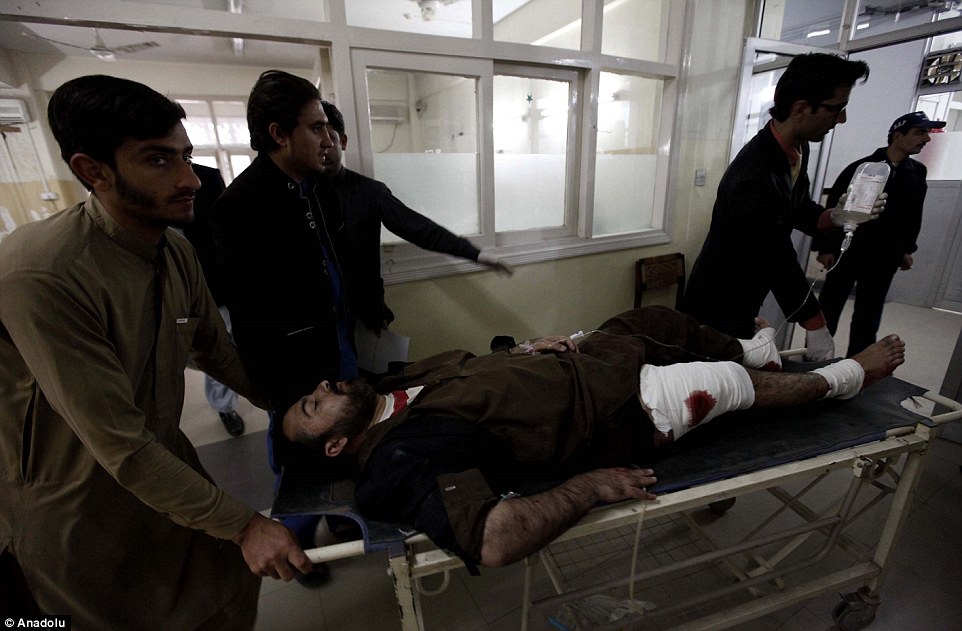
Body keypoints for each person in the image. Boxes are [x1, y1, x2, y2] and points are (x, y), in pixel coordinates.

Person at [0, 74, 312, 629]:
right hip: (73, 500)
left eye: (185, 156)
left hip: (165, 461)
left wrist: (293, 408)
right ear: (93, 170)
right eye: (158, 160)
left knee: (227, 591)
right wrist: (245, 525)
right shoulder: (43, 273)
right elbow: (117, 443)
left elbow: (219, 353)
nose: (190, 178)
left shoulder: (174, 251)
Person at [281, 306, 905, 569]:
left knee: (656, 320)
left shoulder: (391, 386)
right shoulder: (394, 458)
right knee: (727, 384)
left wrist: (526, 352)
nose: (324, 386)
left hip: (582, 363)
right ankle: (844, 378)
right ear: (335, 446)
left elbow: (475, 375)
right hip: (617, 412)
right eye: (315, 405)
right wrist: (589, 488)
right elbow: (491, 540)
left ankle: (755, 349)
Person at [210, 69, 353, 582]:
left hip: (334, 342)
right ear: (279, 134)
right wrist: (279, 392)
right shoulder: (241, 206)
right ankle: (298, 547)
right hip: (294, 365)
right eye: (315, 128)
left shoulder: (309, 186)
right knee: (301, 459)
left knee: (341, 440)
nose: (326, 138)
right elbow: (252, 316)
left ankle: (340, 519)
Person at [681, 53, 878, 361]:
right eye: (837, 108)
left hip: (748, 292)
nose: (841, 119)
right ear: (801, 109)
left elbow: (797, 208)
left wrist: (835, 216)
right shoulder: (754, 173)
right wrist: (815, 323)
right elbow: (774, 254)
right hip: (718, 299)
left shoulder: (798, 149)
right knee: (718, 376)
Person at [317, 100, 511, 333]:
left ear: (343, 141)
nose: (324, 147)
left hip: (366, 318)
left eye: (330, 139)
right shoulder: (299, 194)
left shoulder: (368, 192)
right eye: (316, 140)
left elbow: (420, 229)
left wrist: (475, 254)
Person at [813, 111, 944, 357]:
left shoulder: (917, 172)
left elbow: (913, 214)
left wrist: (906, 249)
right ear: (898, 135)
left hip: (884, 257)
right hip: (849, 250)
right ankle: (815, 359)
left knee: (869, 315)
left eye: (926, 133)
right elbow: (835, 208)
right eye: (919, 132)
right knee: (829, 307)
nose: (926, 139)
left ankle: (860, 364)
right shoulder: (863, 168)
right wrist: (826, 248)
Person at [181, 162, 245, 436]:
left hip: (215, 282)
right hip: (170, 290)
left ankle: (224, 404)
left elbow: (226, 228)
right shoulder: (137, 179)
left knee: (222, 346)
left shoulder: (206, 177)